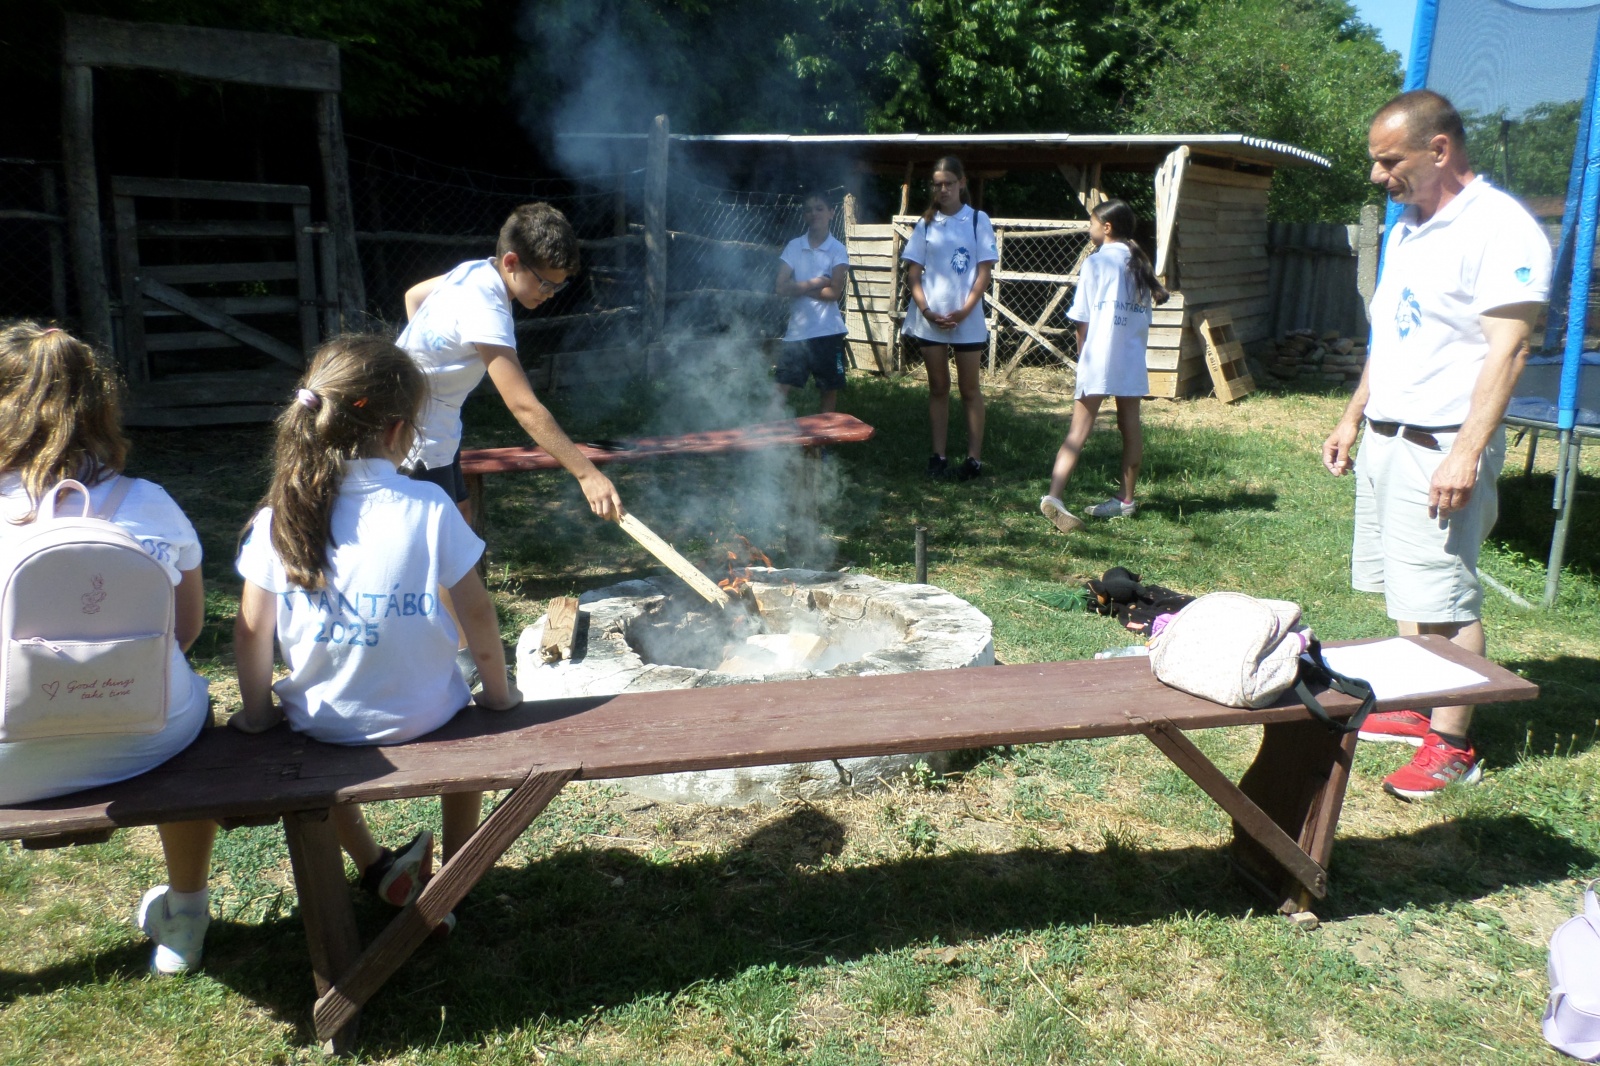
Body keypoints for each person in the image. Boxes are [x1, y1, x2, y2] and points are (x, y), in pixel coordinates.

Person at [231, 336, 522, 926]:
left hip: (322, 723)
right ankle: (456, 874)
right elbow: (478, 615)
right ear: (397, 431)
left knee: (319, 755)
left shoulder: (277, 516)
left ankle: (374, 866)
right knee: (465, 719)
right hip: (429, 715)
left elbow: (251, 631)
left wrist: (258, 716)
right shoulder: (429, 504)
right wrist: (498, 696)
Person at [1322, 89, 1551, 800]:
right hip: (1388, 434)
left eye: (1389, 161)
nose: (1377, 176)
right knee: (1408, 584)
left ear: (1440, 149)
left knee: (1448, 597)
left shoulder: (1500, 227)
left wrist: (1464, 452)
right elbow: (1391, 338)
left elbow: (1509, 351)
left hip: (1443, 442)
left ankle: (1453, 743)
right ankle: (1420, 706)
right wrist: (1354, 416)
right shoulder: (1407, 230)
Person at [0, 321, 215, 975]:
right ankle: (186, 915)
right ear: (100, 406)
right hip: (147, 738)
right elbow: (186, 631)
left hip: (9, 759)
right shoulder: (149, 503)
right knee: (194, 702)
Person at [398, 202, 622, 522]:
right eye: (545, 283)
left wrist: (427, 362)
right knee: (444, 536)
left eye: (558, 286)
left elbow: (414, 295)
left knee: (462, 514)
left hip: (437, 425)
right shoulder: (487, 308)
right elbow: (524, 407)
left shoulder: (473, 271)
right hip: (418, 436)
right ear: (512, 261)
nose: (550, 294)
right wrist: (588, 474)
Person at [1040, 199, 1168, 532]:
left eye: (1092, 222)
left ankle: (1054, 496)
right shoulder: (1140, 263)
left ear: (1106, 227)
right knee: (1130, 427)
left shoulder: (1095, 262)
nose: (1089, 228)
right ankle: (1126, 500)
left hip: (1098, 357)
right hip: (1131, 358)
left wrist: (1082, 356)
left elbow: (1081, 319)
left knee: (1078, 431)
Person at [901, 156, 998, 480]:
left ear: (962, 183)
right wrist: (927, 311)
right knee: (938, 387)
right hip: (930, 319)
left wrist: (965, 310)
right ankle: (938, 456)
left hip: (966, 319)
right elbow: (913, 274)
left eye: (949, 183)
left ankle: (974, 460)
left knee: (970, 389)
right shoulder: (926, 224)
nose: (943, 190)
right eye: (937, 184)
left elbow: (984, 272)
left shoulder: (978, 220)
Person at [774, 192, 850, 413]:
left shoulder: (837, 249)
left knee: (828, 389)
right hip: (797, 332)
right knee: (780, 388)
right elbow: (780, 288)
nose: (814, 213)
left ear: (831, 213)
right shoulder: (794, 246)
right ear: (804, 216)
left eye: (819, 208)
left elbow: (834, 292)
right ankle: (771, 433)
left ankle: (825, 435)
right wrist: (817, 282)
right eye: (808, 210)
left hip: (828, 331)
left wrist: (798, 288)